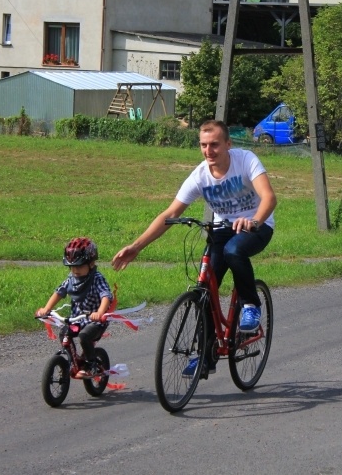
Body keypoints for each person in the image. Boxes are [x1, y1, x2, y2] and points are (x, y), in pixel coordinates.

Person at [111, 119, 276, 376]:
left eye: (214, 145)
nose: (208, 151)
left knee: (234, 251)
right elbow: (171, 213)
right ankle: (205, 356)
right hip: (222, 229)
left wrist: (254, 220)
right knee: (204, 290)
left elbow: (269, 197)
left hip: (257, 225)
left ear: (228, 144)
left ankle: (251, 306)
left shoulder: (246, 160)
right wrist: (136, 246)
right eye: (203, 145)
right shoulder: (200, 175)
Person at [36, 237, 113, 379]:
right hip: (77, 320)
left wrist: (100, 313)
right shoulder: (71, 279)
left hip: (95, 321)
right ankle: (74, 363)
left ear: (91, 264)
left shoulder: (96, 278)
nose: (75, 270)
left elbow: (106, 296)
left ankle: (92, 365)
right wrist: (46, 309)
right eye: (72, 267)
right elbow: (59, 292)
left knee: (84, 336)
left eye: (79, 266)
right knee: (64, 333)